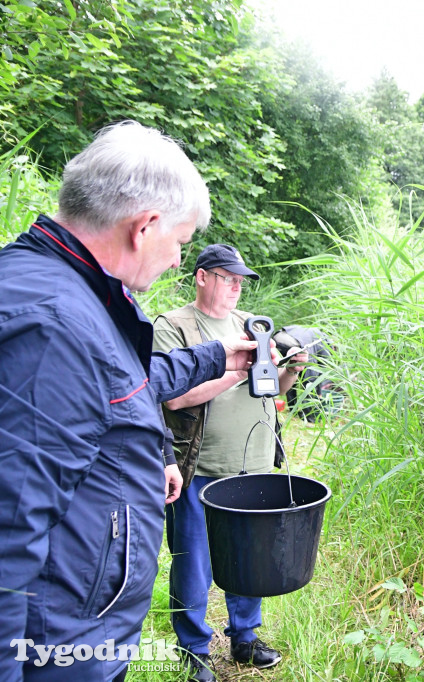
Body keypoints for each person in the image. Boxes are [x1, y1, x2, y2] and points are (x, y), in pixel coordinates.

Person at [0, 121, 258, 681]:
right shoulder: (51, 325)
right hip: (58, 640)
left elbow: (121, 386)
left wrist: (221, 358)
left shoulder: (71, 290)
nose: (174, 260)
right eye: (180, 243)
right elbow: (7, 532)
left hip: (80, 622)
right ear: (145, 226)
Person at [153, 243, 307, 682]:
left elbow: (271, 389)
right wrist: (234, 371)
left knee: (251, 558)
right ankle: (194, 650)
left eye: (242, 279)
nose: (238, 286)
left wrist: (292, 368)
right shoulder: (175, 326)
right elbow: (174, 394)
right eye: (228, 277)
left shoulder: (250, 325)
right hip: (199, 468)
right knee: (194, 563)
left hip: (253, 466)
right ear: (202, 276)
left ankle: (245, 638)